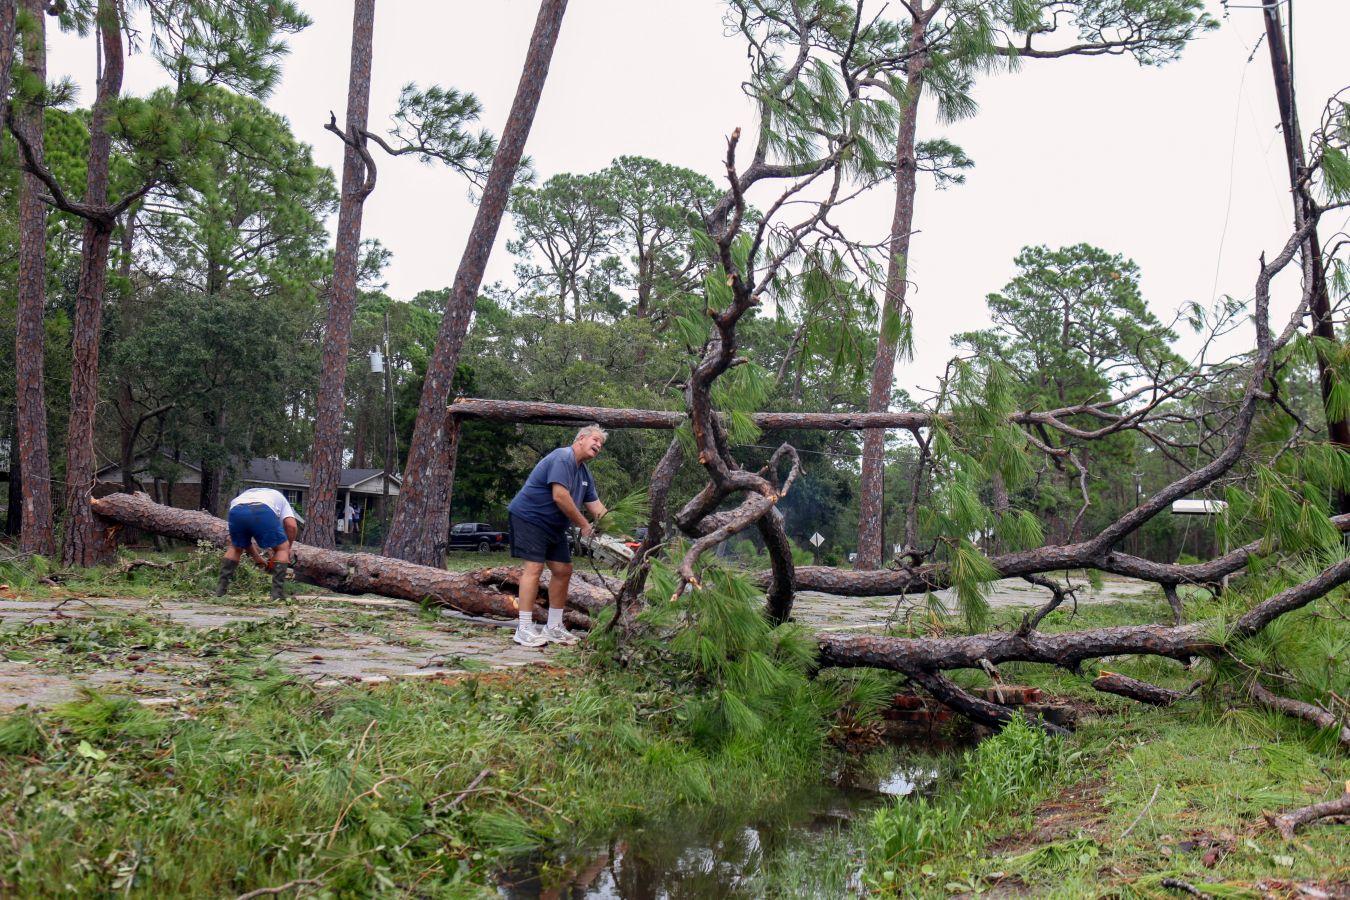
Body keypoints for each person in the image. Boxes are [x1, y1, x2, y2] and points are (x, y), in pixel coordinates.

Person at [506, 424, 608, 646]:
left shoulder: (584, 474)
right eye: (595, 440)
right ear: (581, 438)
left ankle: (553, 627)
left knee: (563, 570)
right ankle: (523, 629)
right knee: (534, 568)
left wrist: (618, 531)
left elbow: (597, 507)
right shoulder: (563, 458)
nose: (598, 446)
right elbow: (560, 496)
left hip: (554, 526)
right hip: (530, 517)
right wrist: (583, 525)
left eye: (601, 444)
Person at [216, 486, 302, 600]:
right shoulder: (281, 499)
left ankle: (220, 592)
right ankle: (277, 595)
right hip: (262, 510)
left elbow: (244, 542)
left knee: (235, 547)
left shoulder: (245, 495)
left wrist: (257, 558)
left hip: (236, 510)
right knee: (282, 548)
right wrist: (286, 549)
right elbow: (291, 526)